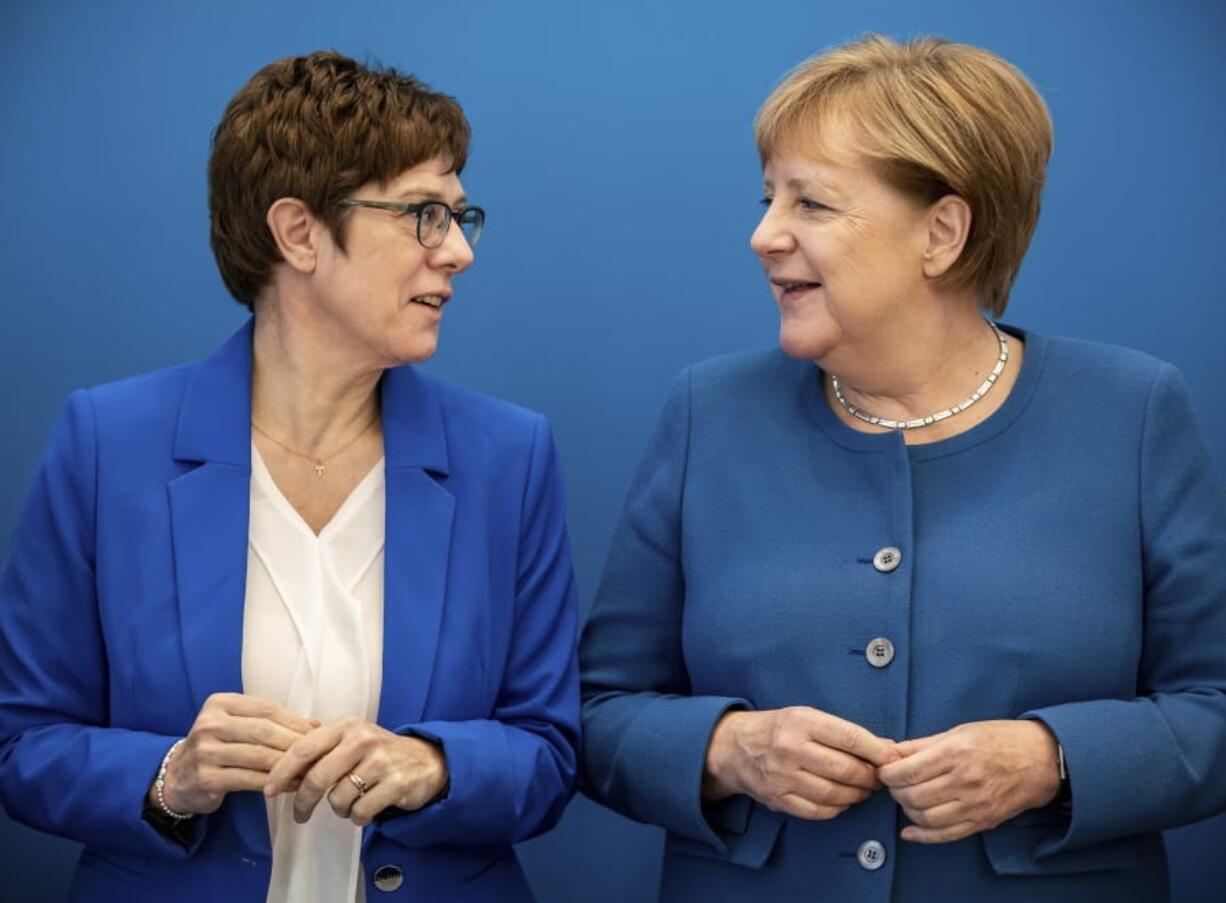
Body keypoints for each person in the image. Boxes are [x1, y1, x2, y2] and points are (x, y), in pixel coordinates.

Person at [578, 34, 1226, 902]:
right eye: (769, 197)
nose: (763, 235)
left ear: (942, 232)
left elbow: (1213, 704)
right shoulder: (709, 413)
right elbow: (595, 712)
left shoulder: (1134, 411)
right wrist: (728, 749)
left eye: (810, 203)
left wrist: (1052, 760)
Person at [0, 51, 578, 903]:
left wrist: (435, 765)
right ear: (299, 232)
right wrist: (169, 774)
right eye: (423, 214)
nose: (457, 251)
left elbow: (551, 748)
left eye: (460, 216)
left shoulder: (509, 455)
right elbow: (22, 743)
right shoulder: (106, 443)